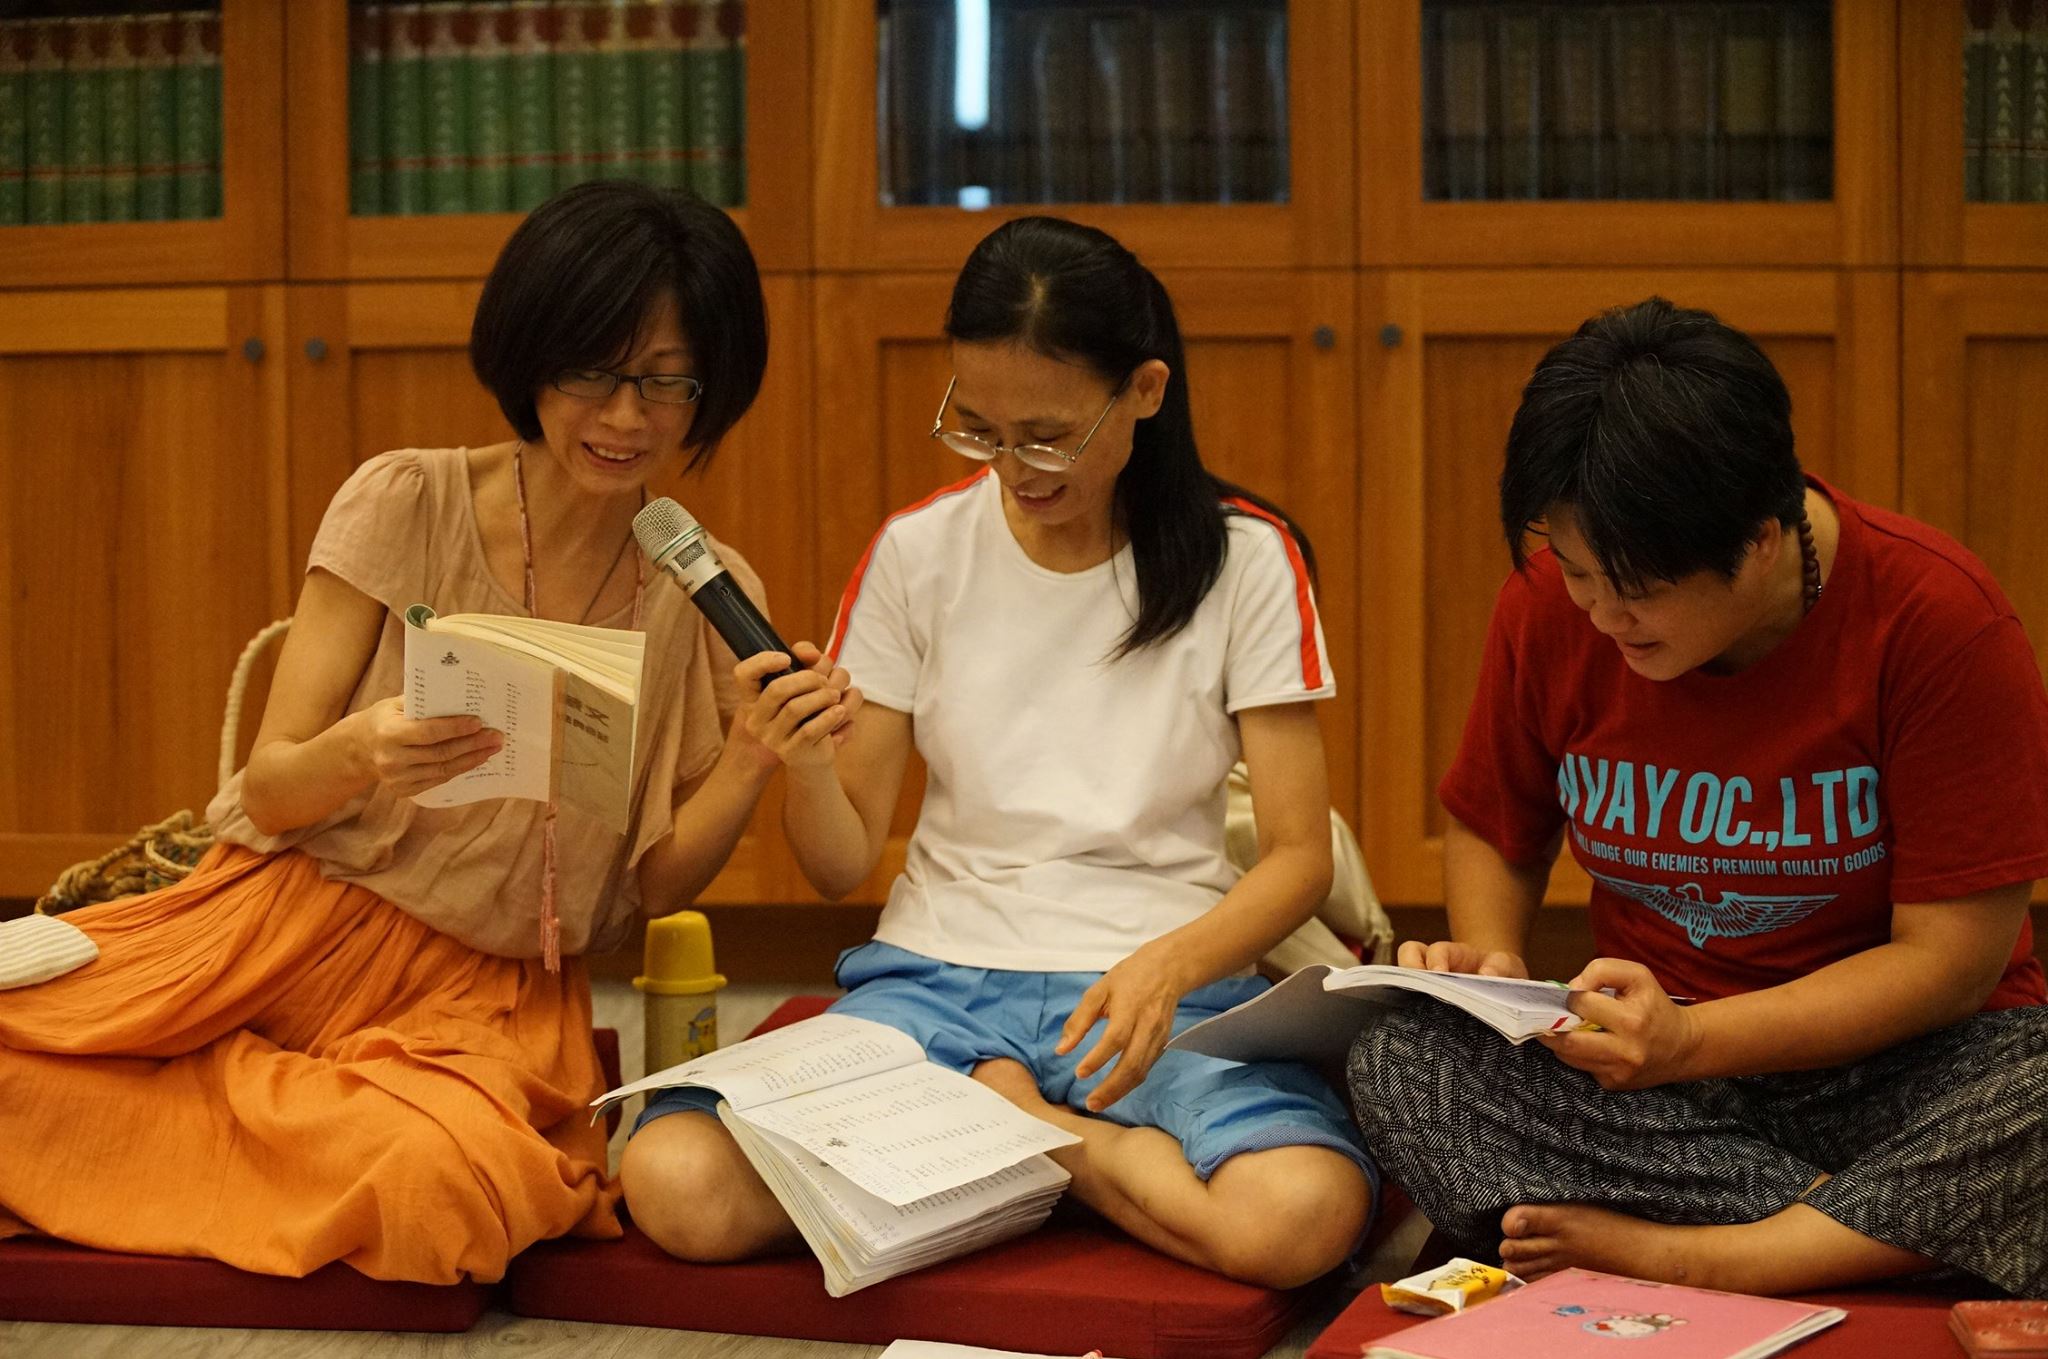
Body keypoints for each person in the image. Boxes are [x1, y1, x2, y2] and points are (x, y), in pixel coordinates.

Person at [0, 181, 839, 1284]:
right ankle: (245, 1099)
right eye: (591, 372)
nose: (625, 418)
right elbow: (271, 786)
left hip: (487, 992)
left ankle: (232, 1111)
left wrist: (749, 758)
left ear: (709, 386)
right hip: (282, 928)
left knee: (435, 1185)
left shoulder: (706, 590)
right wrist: (366, 748)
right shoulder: (405, 499)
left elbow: (652, 890)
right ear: (530, 356)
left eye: (665, 381)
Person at [621, 216, 1376, 1288]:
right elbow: (840, 864)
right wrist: (801, 758)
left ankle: (1013, 1135)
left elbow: (1297, 854)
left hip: (1149, 982)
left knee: (1300, 1214)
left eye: (1048, 435)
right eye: (978, 429)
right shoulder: (917, 552)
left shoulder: (1245, 558)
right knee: (674, 1178)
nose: (1014, 469)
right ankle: (1075, 1158)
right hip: (935, 985)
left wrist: (1168, 964)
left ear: (1145, 391)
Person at [1347, 297, 2048, 1298]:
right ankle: (1874, 1234)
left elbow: (1949, 965)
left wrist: (1695, 1042)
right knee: (1404, 1061)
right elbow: (1494, 825)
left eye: (1635, 590)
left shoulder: (1938, 623)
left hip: (1902, 1065)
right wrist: (1495, 974)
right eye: (1577, 572)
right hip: (1658, 1078)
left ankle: (1708, 1252)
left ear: (1759, 539)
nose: (1600, 615)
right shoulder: (1551, 606)